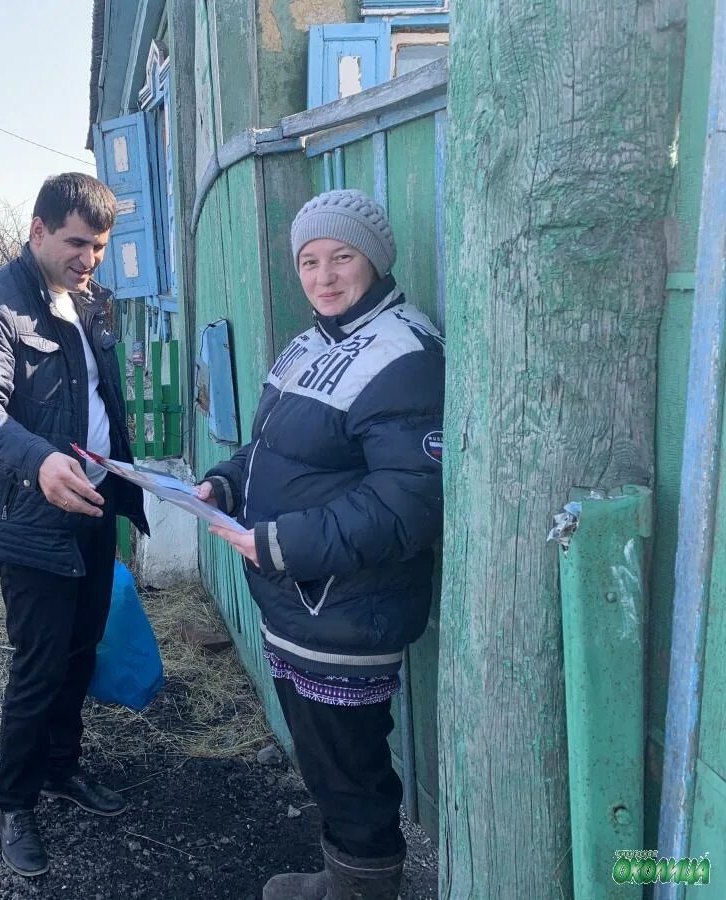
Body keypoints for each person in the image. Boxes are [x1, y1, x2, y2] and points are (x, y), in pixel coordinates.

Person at [196, 189, 444, 900]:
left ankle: (364, 889)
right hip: (298, 598)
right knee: (325, 758)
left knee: (351, 766)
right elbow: (273, 449)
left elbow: (406, 503)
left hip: (345, 605)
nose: (324, 276)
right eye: (310, 261)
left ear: (375, 261)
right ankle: (345, 878)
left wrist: (282, 543)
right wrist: (226, 482)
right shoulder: (313, 342)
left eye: (342, 257)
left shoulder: (404, 354)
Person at [0, 172, 148, 878]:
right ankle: (15, 801)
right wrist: (39, 464)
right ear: (36, 231)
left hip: (92, 502)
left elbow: (96, 396)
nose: (88, 259)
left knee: (81, 650)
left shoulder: (88, 302)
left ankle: (64, 768)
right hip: (31, 517)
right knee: (38, 663)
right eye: (74, 244)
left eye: (97, 246)